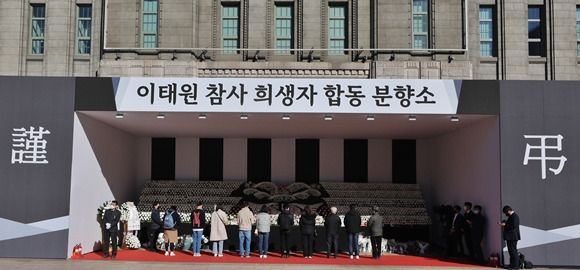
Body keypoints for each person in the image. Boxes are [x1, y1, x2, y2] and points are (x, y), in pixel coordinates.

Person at [501, 205, 520, 270]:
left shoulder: (514, 216)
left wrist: (505, 225)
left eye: (506, 212)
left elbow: (514, 225)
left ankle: (515, 266)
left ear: (509, 210)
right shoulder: (512, 216)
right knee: (511, 252)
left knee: (513, 252)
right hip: (510, 237)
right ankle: (512, 265)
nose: (506, 214)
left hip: (512, 237)